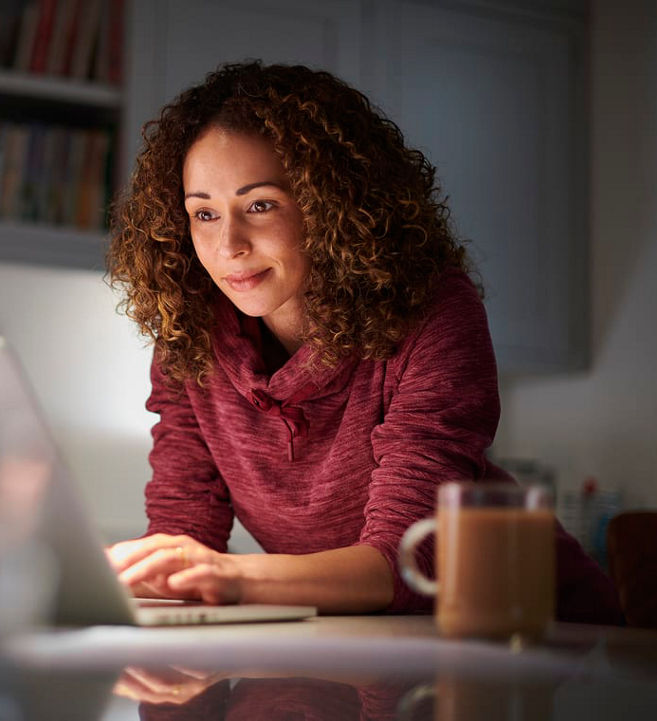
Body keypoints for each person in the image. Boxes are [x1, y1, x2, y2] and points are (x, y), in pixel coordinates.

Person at [103, 61, 621, 622]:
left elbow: (403, 564)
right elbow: (183, 534)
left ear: (333, 205)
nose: (227, 245)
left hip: (549, 636)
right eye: (203, 213)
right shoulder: (191, 331)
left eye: (260, 205)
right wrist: (134, 575)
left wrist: (227, 576)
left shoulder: (430, 310)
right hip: (377, 646)